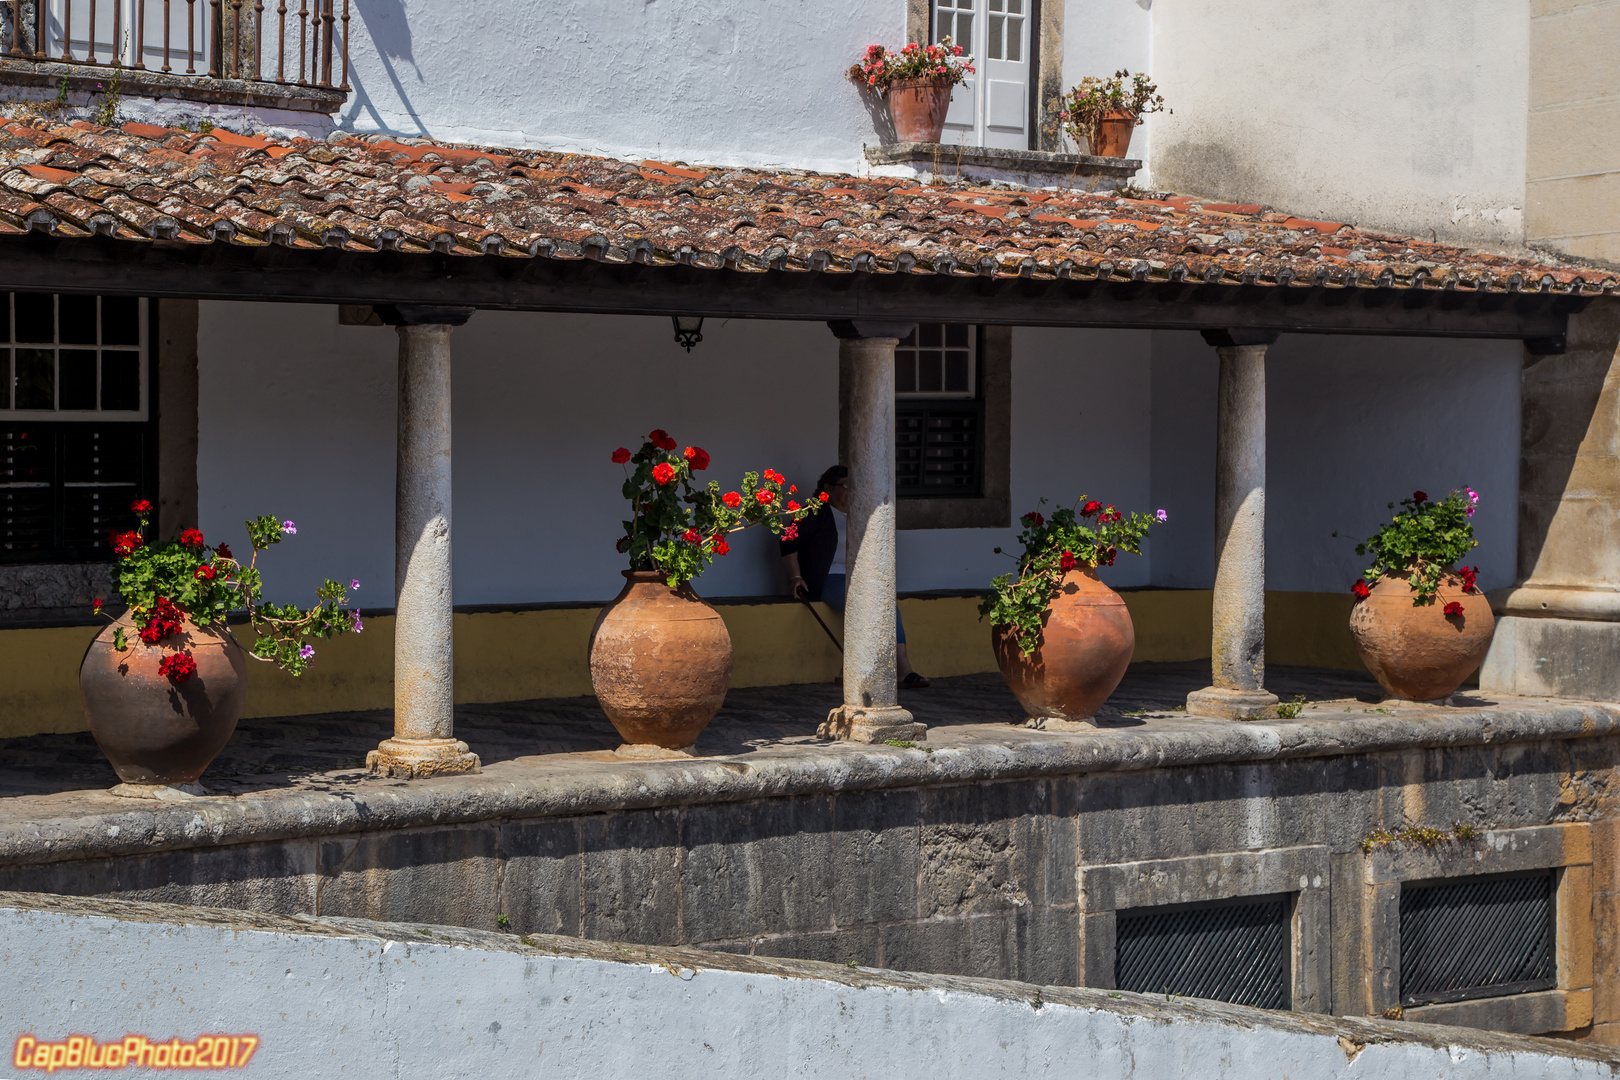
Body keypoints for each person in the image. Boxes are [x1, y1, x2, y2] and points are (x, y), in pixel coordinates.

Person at [780, 465, 930, 689]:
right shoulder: (814, 513)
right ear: (827, 488)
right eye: (846, 485)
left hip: (858, 579)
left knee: (888, 605)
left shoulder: (860, 514)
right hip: (829, 579)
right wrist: (796, 577)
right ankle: (857, 670)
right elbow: (787, 541)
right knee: (864, 607)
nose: (851, 490)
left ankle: (903, 669)